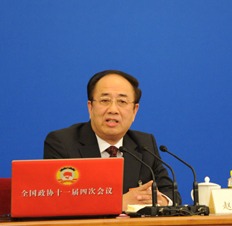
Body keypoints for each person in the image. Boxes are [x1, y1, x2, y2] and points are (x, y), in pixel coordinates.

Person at [44, 70, 177, 210]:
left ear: (134, 111)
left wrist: (161, 201)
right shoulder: (62, 143)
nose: (113, 109)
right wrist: (118, 202)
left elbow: (171, 193)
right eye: (105, 100)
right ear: (90, 107)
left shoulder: (144, 144)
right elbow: (57, 201)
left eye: (122, 102)